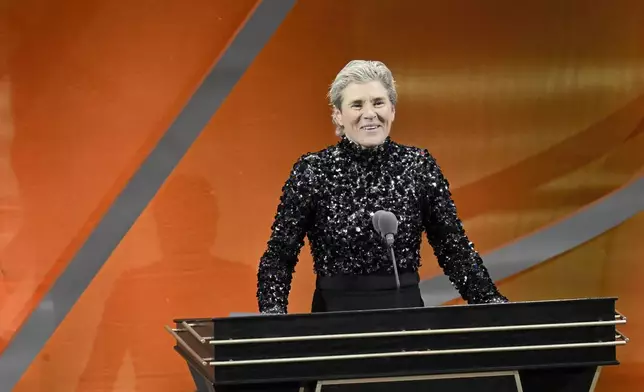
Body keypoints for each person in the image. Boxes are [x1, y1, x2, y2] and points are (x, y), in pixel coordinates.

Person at [256, 60, 507, 314]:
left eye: (378, 103)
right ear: (338, 115)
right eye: (357, 105)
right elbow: (279, 256)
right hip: (334, 323)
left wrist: (492, 304)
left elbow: (454, 249)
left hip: (405, 320)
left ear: (392, 110)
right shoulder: (313, 171)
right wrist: (273, 317)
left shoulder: (418, 166)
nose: (369, 113)